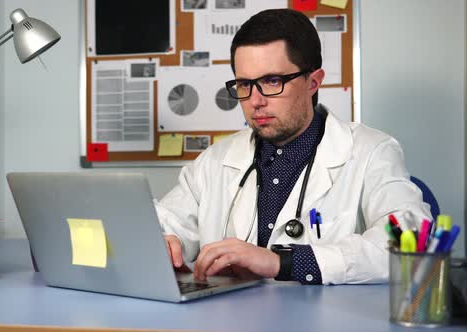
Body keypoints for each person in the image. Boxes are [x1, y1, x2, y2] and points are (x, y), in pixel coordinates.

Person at [154, 9, 431, 285]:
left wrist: (282, 262)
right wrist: (163, 241)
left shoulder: (372, 152)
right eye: (244, 84)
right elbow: (164, 221)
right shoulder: (214, 161)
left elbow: (410, 241)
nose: (255, 101)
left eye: (272, 81)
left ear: (313, 82)